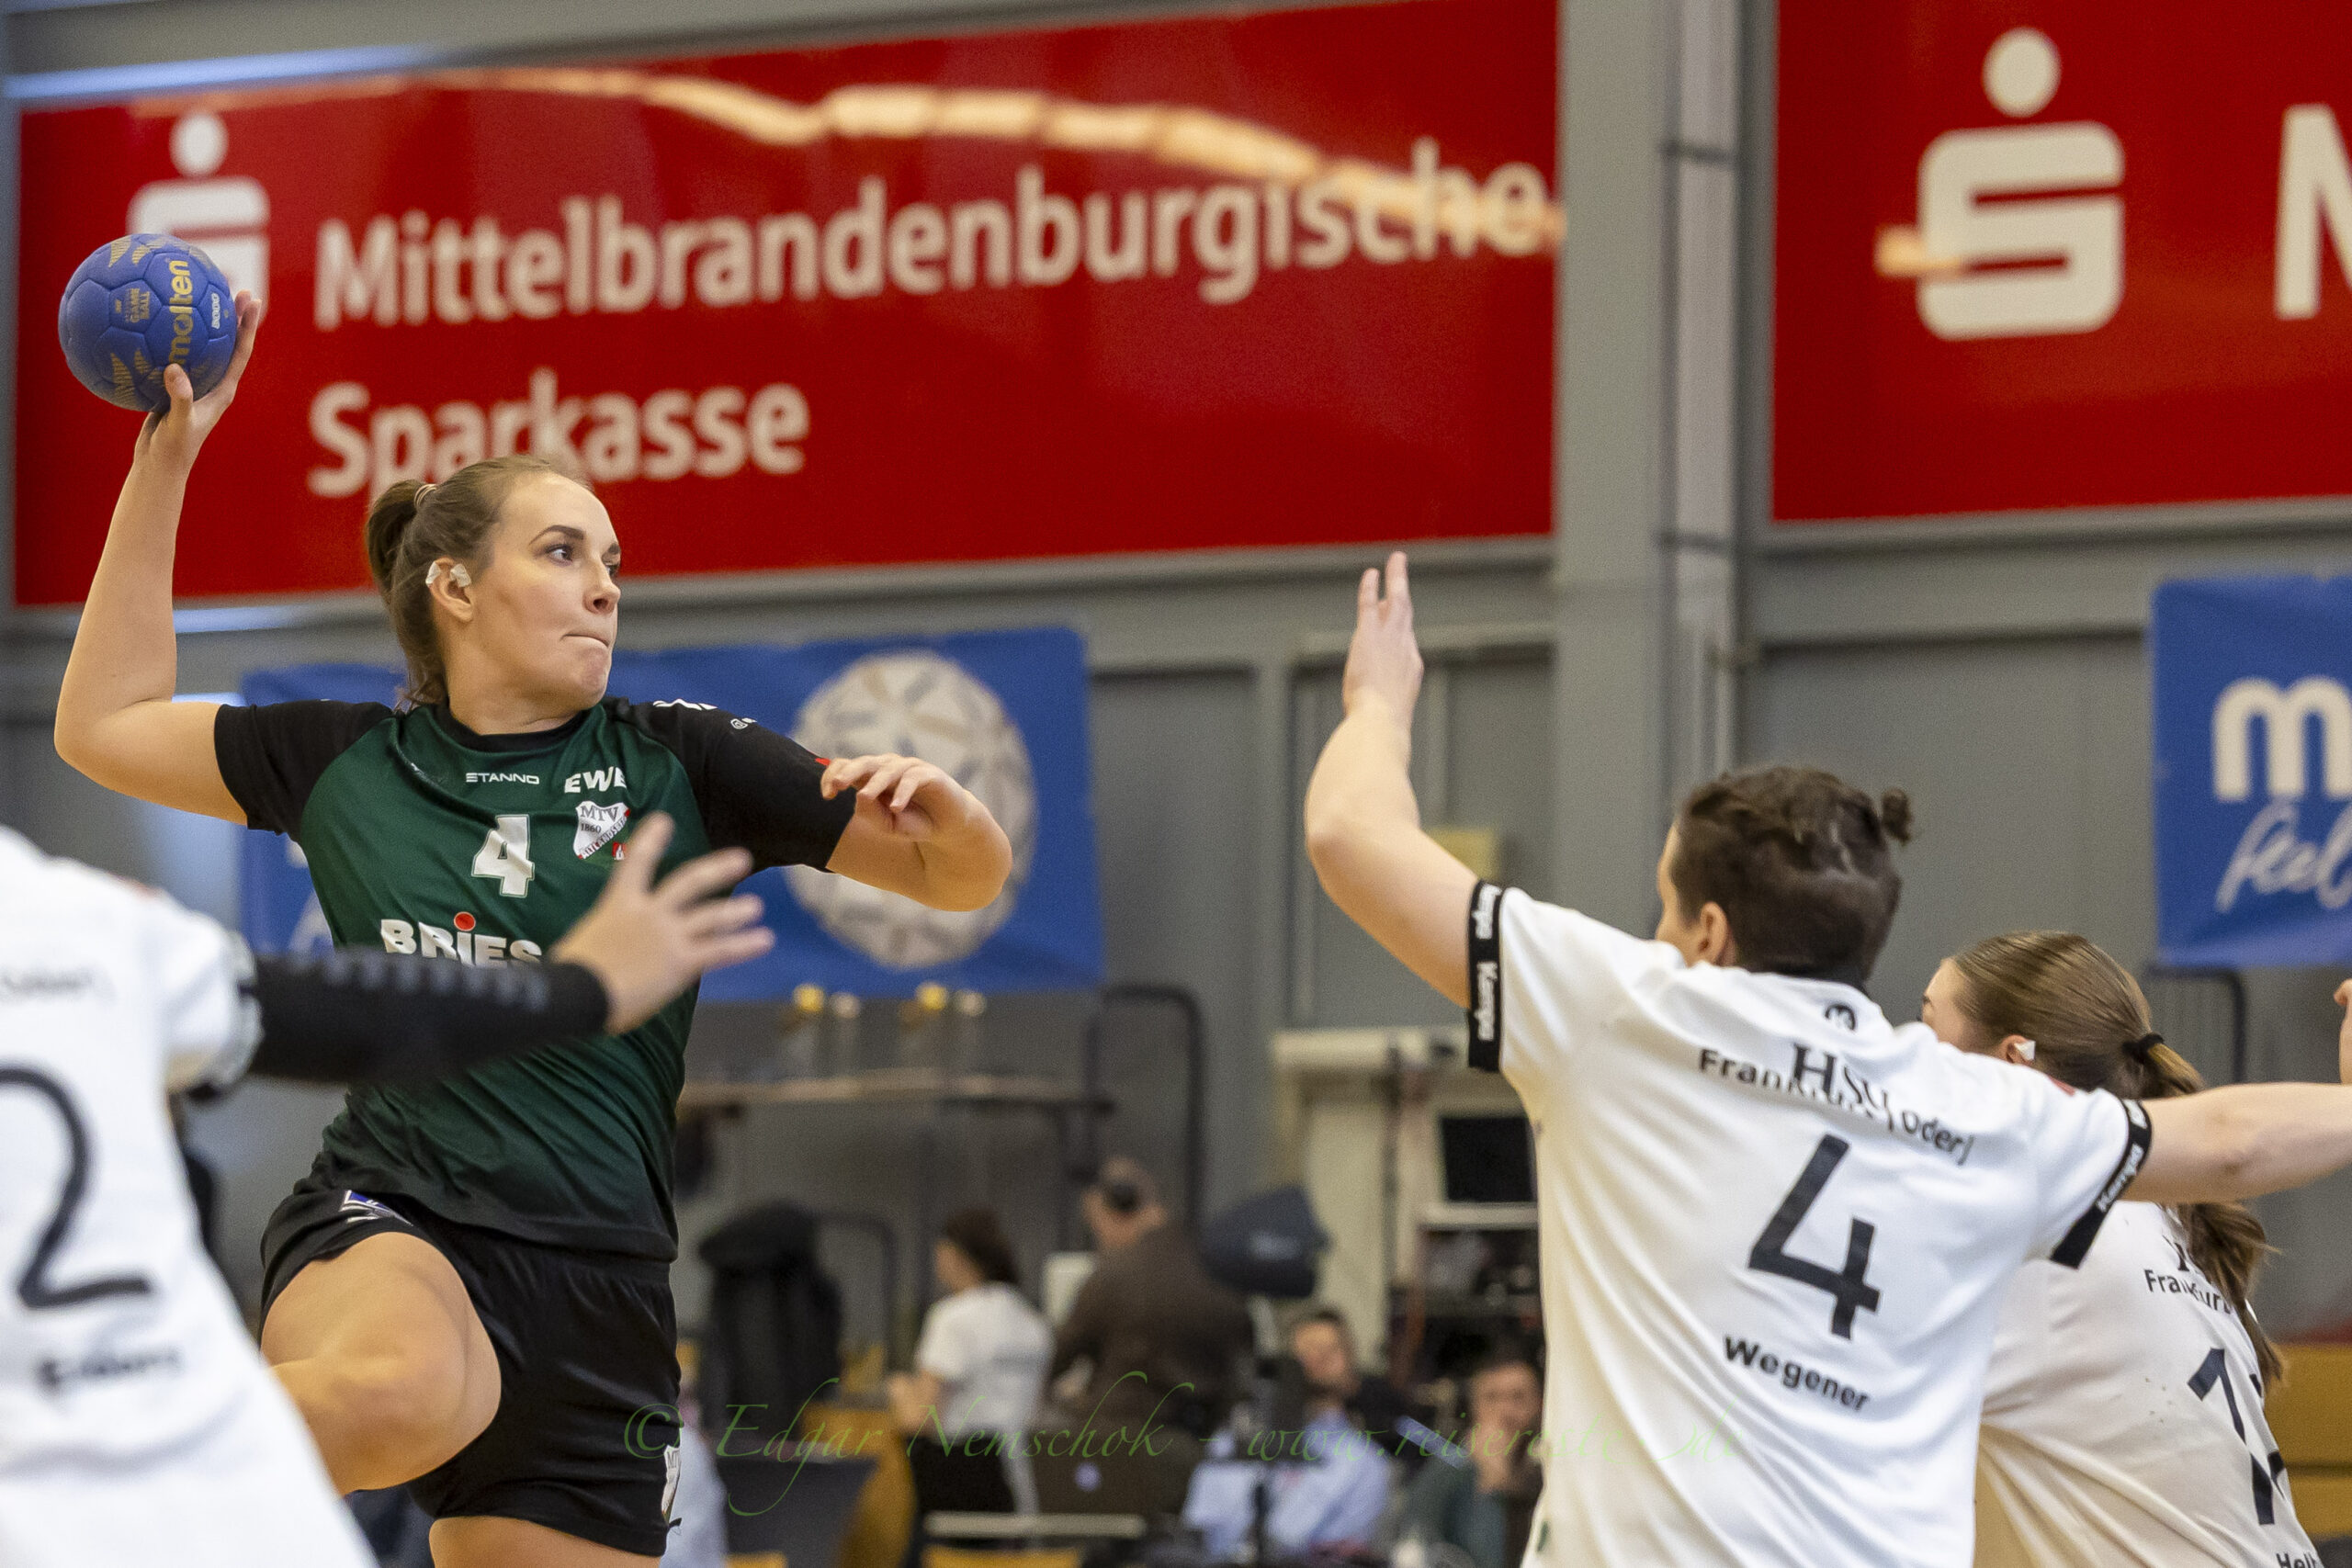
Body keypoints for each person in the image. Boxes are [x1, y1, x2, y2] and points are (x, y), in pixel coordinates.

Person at [51, 296, 1016, 1568]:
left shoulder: (683, 758)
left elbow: (954, 879)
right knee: (400, 1389)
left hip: (605, 1286)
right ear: (454, 584)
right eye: (563, 551)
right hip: (397, 1210)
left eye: (612, 559)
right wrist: (164, 463)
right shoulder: (344, 760)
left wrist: (953, 811)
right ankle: (67, 1471)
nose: (604, 584)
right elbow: (103, 724)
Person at [1303, 551, 2352, 1567]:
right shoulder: (1974, 1109)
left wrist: (1378, 704)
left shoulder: (1628, 1015)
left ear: (1710, 932)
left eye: (1663, 906)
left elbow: (1349, 833)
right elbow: (2226, 1141)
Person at [0, 811, 772, 1568]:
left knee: (418, 1401)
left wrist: (581, 989)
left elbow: (335, 1010)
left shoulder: (78, 917)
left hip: (171, 1432)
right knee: (405, 1387)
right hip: (76, 1447)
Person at [1921, 931, 2320, 1566]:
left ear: (2012, 1065)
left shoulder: (2032, 1227)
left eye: (1927, 1027)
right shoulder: (2174, 1216)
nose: (1909, 1058)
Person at [1049, 1157, 1256, 1440]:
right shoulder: (1215, 1268)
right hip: (1200, 1440)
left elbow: (1058, 1357)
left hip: (1121, 1441)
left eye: (1097, 1226)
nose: (1100, 1242)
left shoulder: (1113, 1274)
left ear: (1116, 1212)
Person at [888, 1208, 1055, 1546]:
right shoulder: (1033, 1322)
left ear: (952, 1255)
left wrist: (899, 1390)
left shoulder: (953, 1318)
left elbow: (921, 1418)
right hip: (1024, 1486)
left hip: (961, 1492)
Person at [1179, 1304, 1392, 1559]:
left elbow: (1340, 1555)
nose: (1318, 1359)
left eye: (1332, 1350)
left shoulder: (1366, 1465)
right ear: (1283, 1366)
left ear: (1352, 1372)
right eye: (1307, 1350)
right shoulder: (1232, 1442)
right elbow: (1200, 1531)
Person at [1397, 1347, 1544, 1568]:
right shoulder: (1450, 1466)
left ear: (1540, 1404)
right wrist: (1488, 1484)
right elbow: (1414, 1543)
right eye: (1492, 1398)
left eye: (1518, 1398)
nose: (1505, 1412)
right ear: (1474, 1405)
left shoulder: (1550, 1469)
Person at [1288, 1304, 1412, 1456]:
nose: (1318, 1360)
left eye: (1328, 1350)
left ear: (1350, 1351)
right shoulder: (1278, 1413)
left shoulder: (1382, 1406)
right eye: (1308, 1352)